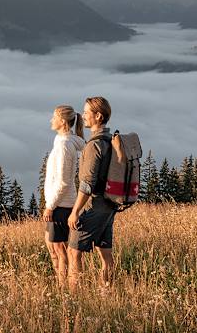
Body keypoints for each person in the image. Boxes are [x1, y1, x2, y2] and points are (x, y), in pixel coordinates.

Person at [67, 96, 117, 292]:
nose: (84, 116)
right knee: (106, 254)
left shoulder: (94, 145)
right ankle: (106, 292)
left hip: (94, 205)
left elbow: (87, 183)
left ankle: (74, 297)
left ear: (98, 116)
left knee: (73, 251)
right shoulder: (110, 141)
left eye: (87, 112)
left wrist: (75, 211)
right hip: (109, 204)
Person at [42, 105, 85, 287]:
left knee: (60, 250)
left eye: (54, 117)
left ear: (62, 121)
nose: (51, 120)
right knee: (56, 248)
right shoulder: (64, 142)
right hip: (62, 203)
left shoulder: (64, 146)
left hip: (60, 206)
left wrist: (50, 206)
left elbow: (63, 181)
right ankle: (64, 287)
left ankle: (64, 289)